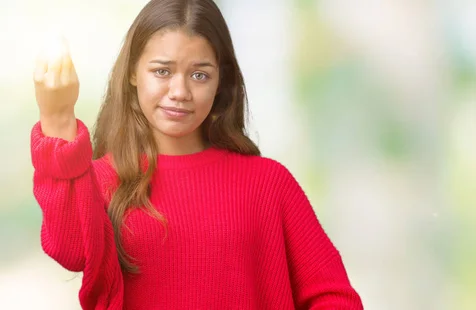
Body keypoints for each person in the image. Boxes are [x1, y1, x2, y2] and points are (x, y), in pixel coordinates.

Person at [30, 0, 363, 309]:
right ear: (133, 72)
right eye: (162, 71)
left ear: (221, 82)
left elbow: (333, 296)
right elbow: (69, 250)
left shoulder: (268, 183)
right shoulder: (101, 180)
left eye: (199, 75)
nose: (180, 92)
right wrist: (57, 120)